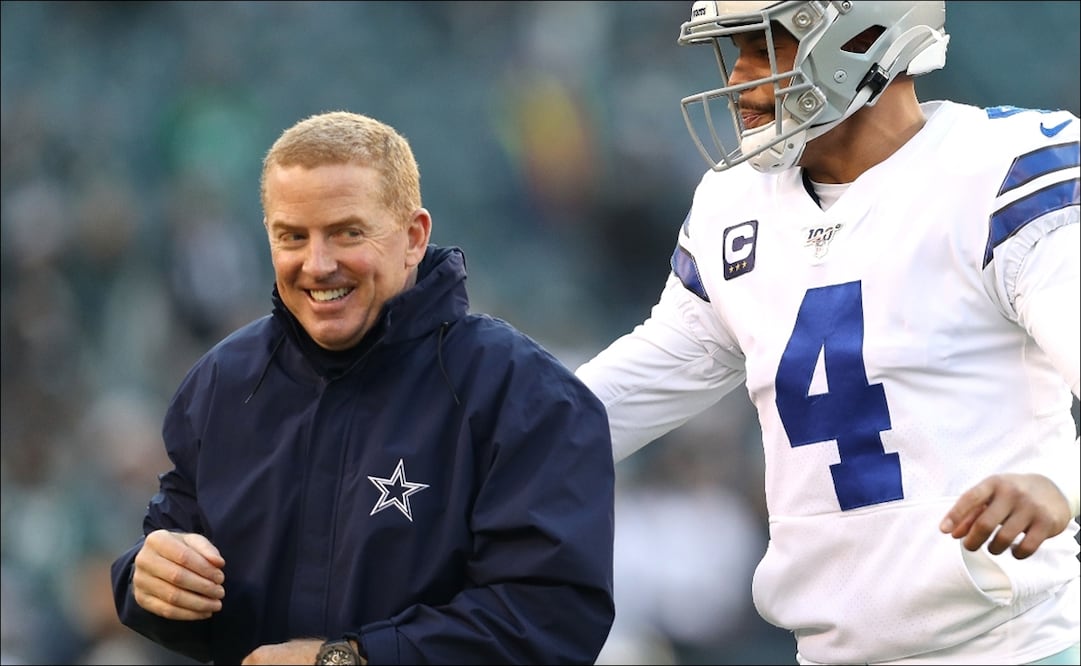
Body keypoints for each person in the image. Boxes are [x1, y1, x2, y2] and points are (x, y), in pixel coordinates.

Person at [575, 2, 1080, 664]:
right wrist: (466, 442)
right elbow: (614, 397)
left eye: (767, 47)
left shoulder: (1000, 171)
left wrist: (1060, 484)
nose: (739, 79)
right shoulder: (732, 205)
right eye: (735, 52)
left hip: (1008, 649)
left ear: (863, 38)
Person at [110, 110, 616, 665]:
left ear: (414, 237)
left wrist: (350, 659)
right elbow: (169, 547)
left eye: (347, 233)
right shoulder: (222, 383)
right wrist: (147, 580)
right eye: (292, 237)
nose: (318, 264)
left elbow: (551, 623)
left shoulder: (525, 395)